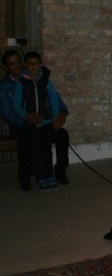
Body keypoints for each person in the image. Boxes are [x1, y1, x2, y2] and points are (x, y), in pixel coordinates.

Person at [1, 50, 70, 190]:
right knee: (27, 139)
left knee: (62, 135)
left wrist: (60, 115)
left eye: (18, 61)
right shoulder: (4, 86)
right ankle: (25, 177)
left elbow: (55, 100)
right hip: (21, 125)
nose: (17, 66)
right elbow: (7, 113)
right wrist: (27, 119)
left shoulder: (41, 78)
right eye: (12, 64)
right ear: (5, 67)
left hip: (45, 122)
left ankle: (60, 171)